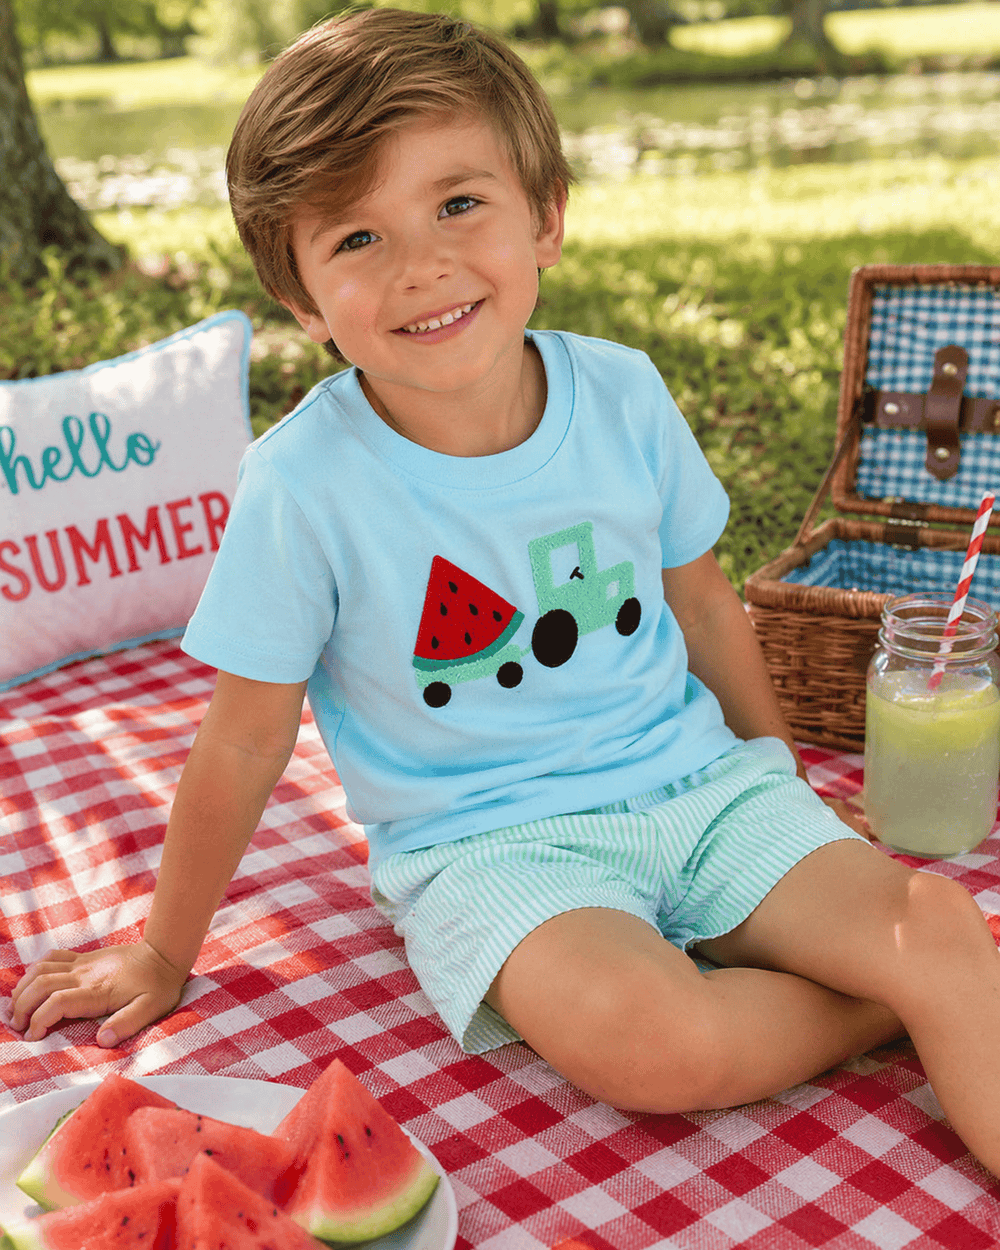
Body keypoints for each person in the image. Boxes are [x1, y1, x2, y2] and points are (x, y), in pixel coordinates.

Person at [10, 8, 1000, 1175]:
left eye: (459, 204)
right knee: (655, 1047)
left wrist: (775, 775)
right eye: (356, 239)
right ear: (302, 300)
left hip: (704, 787)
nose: (421, 263)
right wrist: (164, 952)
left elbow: (704, 609)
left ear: (548, 217)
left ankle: (918, 964)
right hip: (492, 847)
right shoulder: (299, 483)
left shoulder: (625, 395)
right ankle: (898, 998)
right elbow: (240, 743)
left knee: (913, 924)